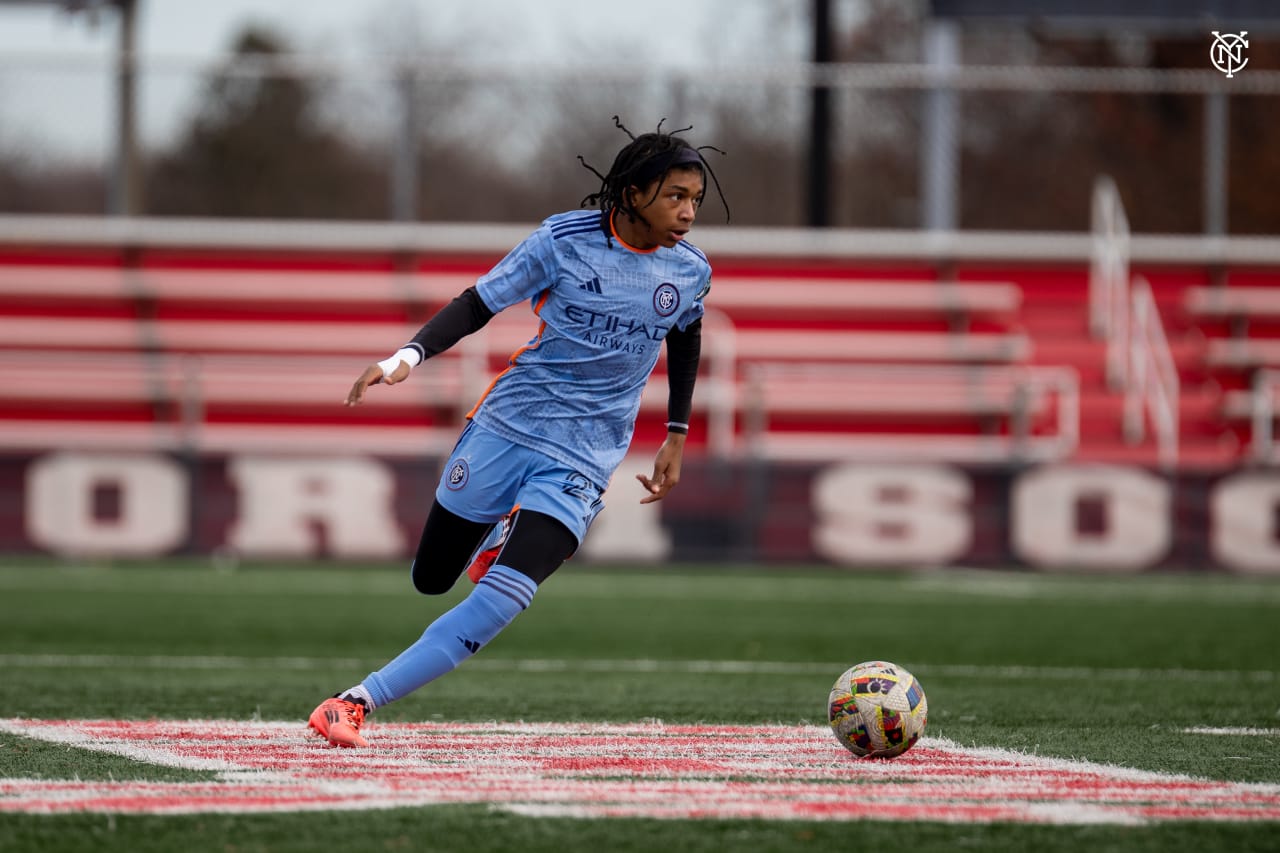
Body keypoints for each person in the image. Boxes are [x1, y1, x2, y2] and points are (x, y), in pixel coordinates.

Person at [307, 118, 727, 747]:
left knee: (507, 595)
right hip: (508, 426)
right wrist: (406, 358)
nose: (689, 211)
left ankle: (353, 702)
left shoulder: (690, 270)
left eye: (695, 199)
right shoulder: (562, 241)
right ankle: (494, 533)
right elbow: (479, 303)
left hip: (584, 457)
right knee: (432, 577)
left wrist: (676, 432)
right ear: (634, 192)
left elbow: (687, 335)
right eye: (675, 196)